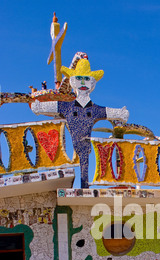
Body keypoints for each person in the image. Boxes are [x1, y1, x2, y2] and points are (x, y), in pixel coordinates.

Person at [31, 58, 129, 188]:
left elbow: (106, 111)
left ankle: (84, 184)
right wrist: (39, 108)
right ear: (73, 81)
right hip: (74, 148)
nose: (83, 82)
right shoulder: (67, 107)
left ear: (92, 83)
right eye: (79, 79)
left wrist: (120, 113)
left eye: (87, 79)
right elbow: (55, 106)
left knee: (84, 159)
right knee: (79, 157)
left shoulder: (94, 109)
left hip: (85, 146)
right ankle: (83, 184)